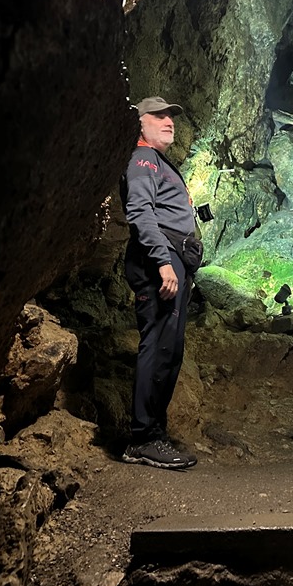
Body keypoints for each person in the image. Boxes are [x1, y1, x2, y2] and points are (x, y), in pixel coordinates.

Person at [119, 95, 201, 470]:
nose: (169, 121)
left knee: (170, 349)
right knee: (158, 346)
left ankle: (154, 434)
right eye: (158, 116)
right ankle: (143, 439)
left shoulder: (159, 162)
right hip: (159, 261)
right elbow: (139, 210)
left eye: (171, 116)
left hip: (173, 259)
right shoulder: (143, 159)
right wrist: (164, 262)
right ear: (140, 123)